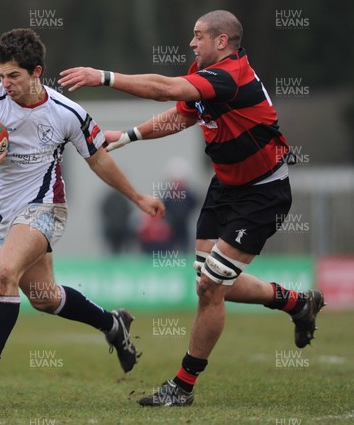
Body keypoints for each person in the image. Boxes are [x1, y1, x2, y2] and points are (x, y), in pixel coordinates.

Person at [59, 10, 325, 407]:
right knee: (214, 282)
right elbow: (181, 115)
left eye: (198, 36)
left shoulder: (229, 75)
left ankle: (182, 387)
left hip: (262, 194)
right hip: (225, 187)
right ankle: (298, 303)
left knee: (209, 288)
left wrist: (105, 77)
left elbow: (166, 89)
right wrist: (130, 135)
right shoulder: (206, 74)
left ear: (222, 42)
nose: (191, 43)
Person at [0, 28, 165, 395]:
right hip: (6, 218)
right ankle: (112, 324)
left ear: (37, 72)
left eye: (14, 76)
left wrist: (137, 198)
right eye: (1, 75)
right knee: (43, 296)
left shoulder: (66, 112)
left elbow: (98, 159)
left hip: (46, 209)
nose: (5, 83)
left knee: (4, 270)